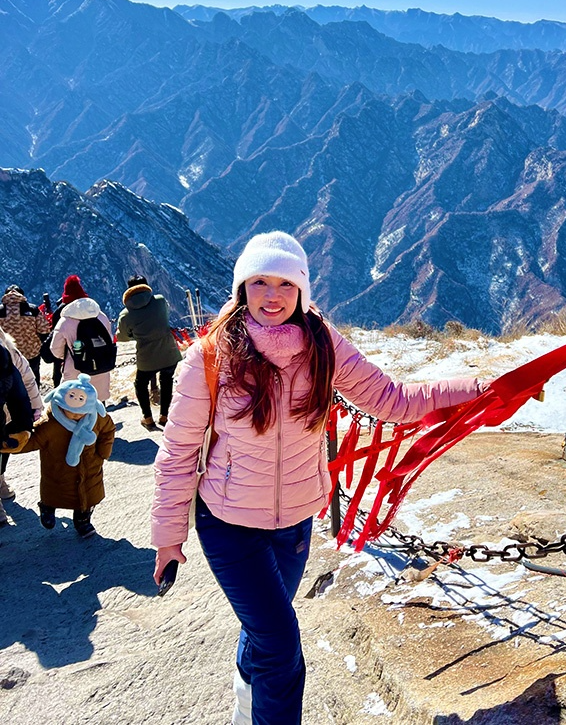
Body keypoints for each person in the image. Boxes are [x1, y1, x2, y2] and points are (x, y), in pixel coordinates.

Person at [150, 231, 485, 725]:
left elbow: (391, 399)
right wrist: (168, 537)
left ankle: (247, 705)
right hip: (228, 523)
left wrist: (477, 390)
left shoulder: (323, 344)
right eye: (260, 281)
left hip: (294, 523)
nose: (272, 295)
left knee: (266, 628)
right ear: (242, 287)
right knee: (281, 644)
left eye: (285, 283)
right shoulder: (211, 356)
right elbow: (178, 452)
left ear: (302, 290)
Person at [2, 374, 115, 537]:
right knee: (54, 493)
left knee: (87, 496)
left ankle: (83, 520)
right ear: (60, 404)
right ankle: (47, 507)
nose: (77, 415)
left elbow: (108, 430)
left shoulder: (97, 418)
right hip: (57, 469)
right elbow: (34, 440)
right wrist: (15, 443)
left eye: (81, 412)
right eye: (71, 411)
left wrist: (103, 452)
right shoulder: (50, 423)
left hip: (90, 466)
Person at [116, 276, 182, 430]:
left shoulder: (125, 315)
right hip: (169, 352)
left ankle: (147, 417)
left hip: (147, 357)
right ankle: (164, 416)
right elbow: (164, 317)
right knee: (167, 381)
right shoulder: (160, 301)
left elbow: (122, 337)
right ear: (146, 286)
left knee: (140, 384)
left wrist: (135, 334)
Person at [0, 326, 43, 523]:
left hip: (6, 413)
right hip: (8, 412)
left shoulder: (7, 350)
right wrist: (35, 409)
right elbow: (27, 379)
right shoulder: (7, 348)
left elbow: (25, 379)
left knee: (3, 449)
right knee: (3, 449)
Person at [50, 296, 113, 402]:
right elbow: (109, 339)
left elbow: (55, 349)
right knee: (98, 401)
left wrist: (68, 356)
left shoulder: (65, 321)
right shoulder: (101, 316)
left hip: (75, 369)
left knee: (75, 403)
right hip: (101, 365)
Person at [0, 285, 50, 386]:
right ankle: (34, 394)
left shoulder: (0, 311)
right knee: (32, 380)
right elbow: (44, 331)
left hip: (9, 354)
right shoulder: (32, 309)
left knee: (11, 381)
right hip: (31, 353)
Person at [48, 275, 90, 387]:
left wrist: (64, 357)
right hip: (93, 356)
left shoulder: (60, 312)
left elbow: (55, 345)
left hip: (69, 358)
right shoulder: (91, 309)